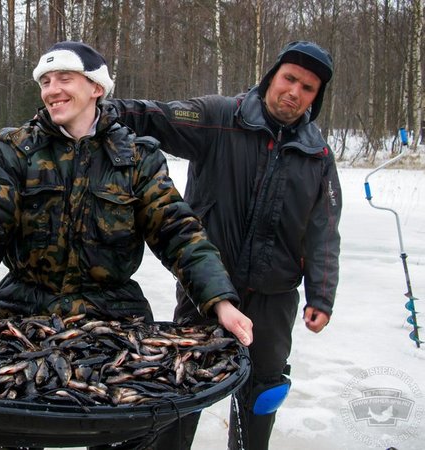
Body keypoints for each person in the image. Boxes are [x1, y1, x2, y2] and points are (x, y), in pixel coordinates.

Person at [0, 41, 253, 450]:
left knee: (124, 432)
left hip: (113, 315)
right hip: (23, 314)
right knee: (8, 429)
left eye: (64, 78)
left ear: (96, 87)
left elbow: (179, 232)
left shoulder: (136, 156)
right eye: (45, 80)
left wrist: (220, 301)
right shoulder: (15, 149)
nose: (51, 89)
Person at [110, 40, 342, 450]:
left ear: (316, 96)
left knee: (264, 390)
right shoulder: (220, 117)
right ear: (272, 77)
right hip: (206, 287)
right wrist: (101, 108)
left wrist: (321, 295)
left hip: (275, 297)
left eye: (307, 88)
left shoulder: (317, 153)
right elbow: (158, 117)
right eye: (289, 79)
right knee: (184, 381)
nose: (294, 92)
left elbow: (323, 230)